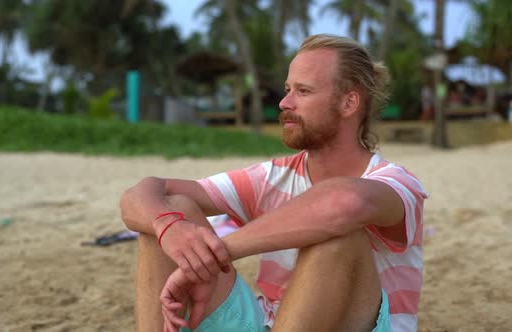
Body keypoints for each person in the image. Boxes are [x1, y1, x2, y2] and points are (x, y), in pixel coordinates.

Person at [120, 34, 427, 332]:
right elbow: (142, 194)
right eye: (287, 89)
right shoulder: (272, 177)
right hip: (269, 324)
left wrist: (214, 254)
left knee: (339, 236)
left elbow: (344, 203)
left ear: (349, 103)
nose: (284, 102)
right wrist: (169, 228)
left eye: (303, 91)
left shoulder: (394, 182)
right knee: (169, 213)